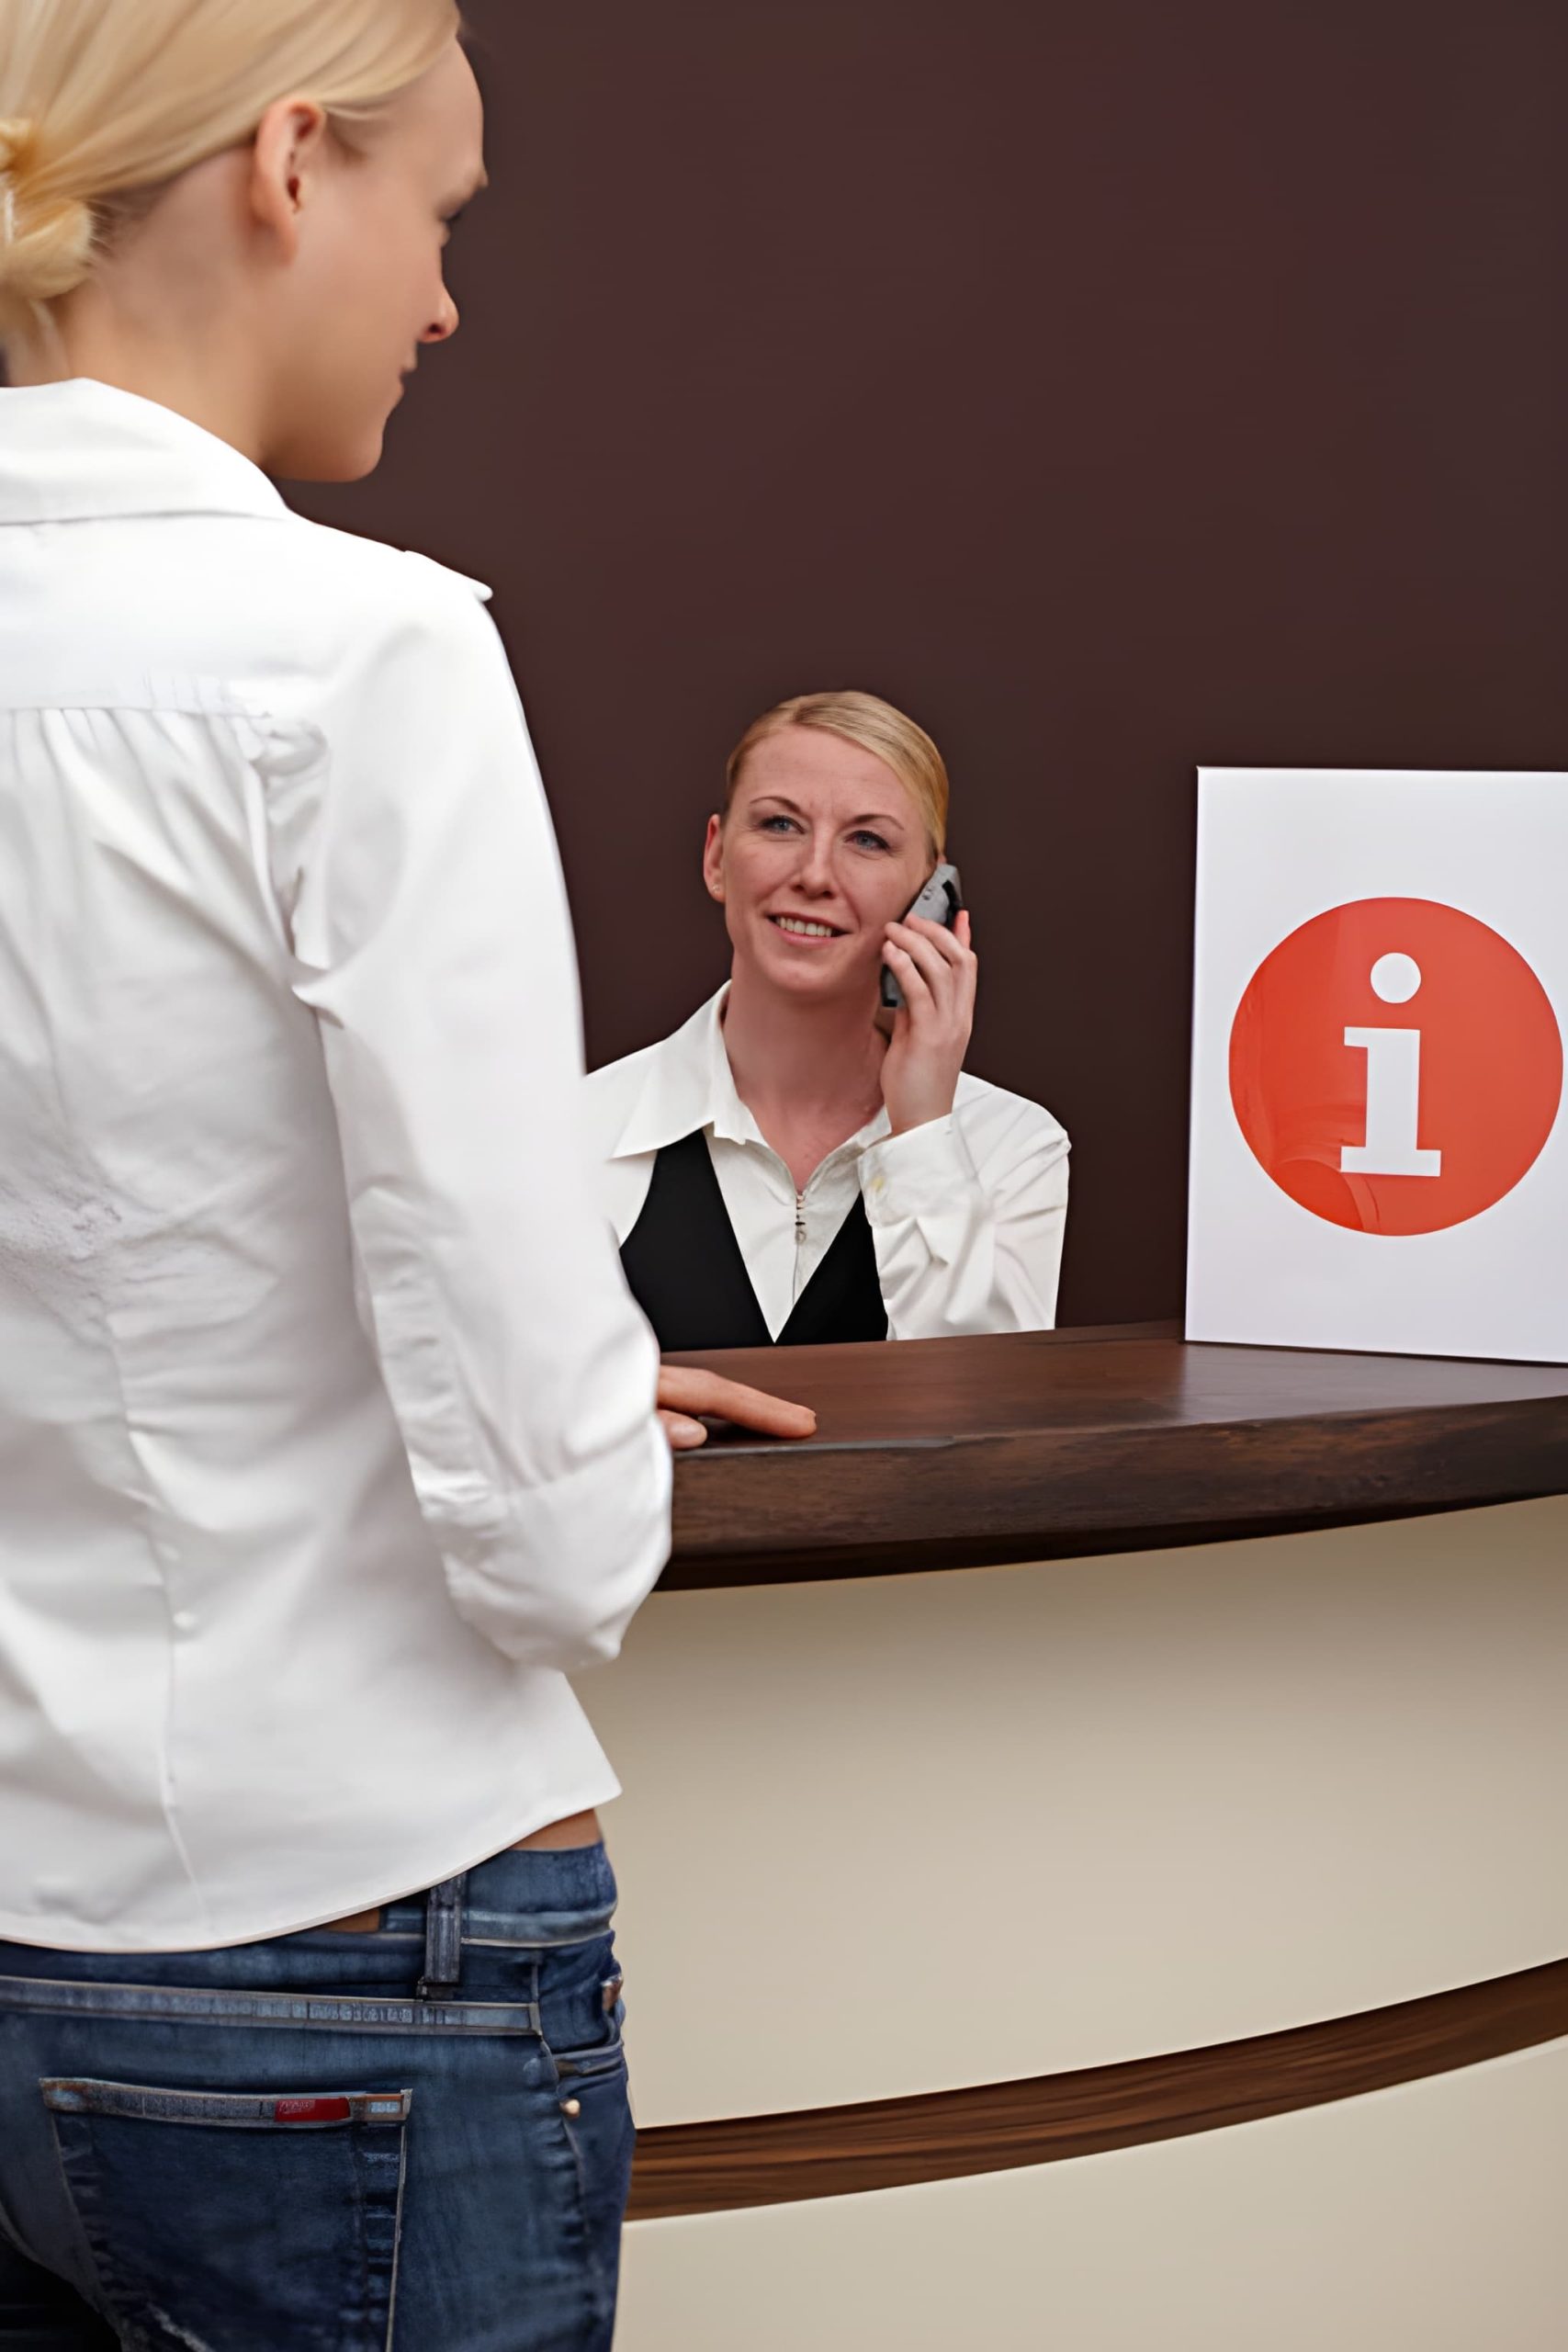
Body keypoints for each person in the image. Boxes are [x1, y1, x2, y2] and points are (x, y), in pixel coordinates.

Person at [0, 6, 811, 2347]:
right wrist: (578, 1426)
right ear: (288, 162)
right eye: (438, 213)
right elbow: (545, 1516)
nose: (447, 299)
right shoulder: (362, 655)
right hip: (351, 1926)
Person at [585, 691, 1071, 1349]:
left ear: (930, 894)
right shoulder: (573, 1135)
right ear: (716, 857)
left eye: (868, 840)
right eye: (780, 825)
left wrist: (923, 1133)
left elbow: (982, 1403)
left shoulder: (1009, 1146)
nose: (814, 875)